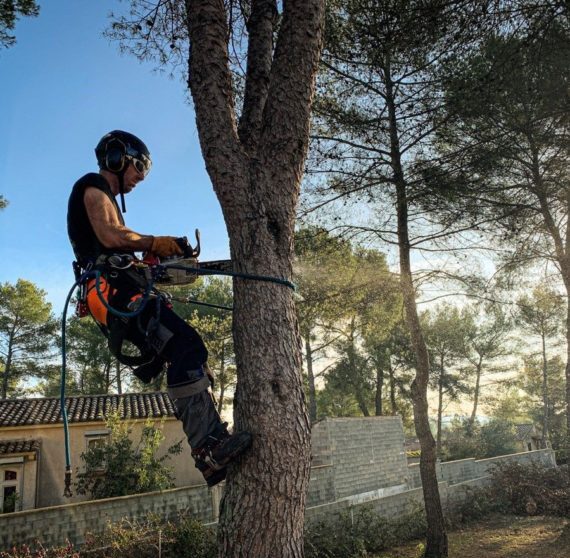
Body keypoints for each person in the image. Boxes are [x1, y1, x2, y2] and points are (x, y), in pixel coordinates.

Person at [67, 130, 252, 486]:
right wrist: (157, 242)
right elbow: (111, 236)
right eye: (138, 168)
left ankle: (212, 442)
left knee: (185, 354)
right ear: (117, 158)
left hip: (119, 292)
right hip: (115, 294)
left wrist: (154, 261)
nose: (138, 178)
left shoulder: (105, 198)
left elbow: (117, 249)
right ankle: (210, 449)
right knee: (187, 348)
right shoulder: (92, 186)